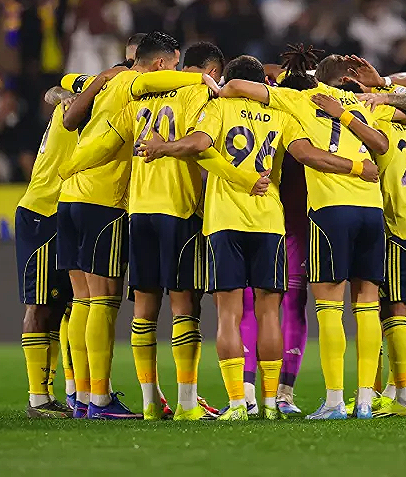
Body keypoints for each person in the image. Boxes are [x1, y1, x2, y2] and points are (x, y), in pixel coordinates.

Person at [141, 55, 380, 420]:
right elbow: (305, 154)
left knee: (231, 314)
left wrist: (162, 148)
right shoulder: (283, 115)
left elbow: (200, 144)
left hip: (225, 220)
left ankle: (239, 402)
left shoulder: (220, 106)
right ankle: (271, 403)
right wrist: (356, 168)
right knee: (272, 313)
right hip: (270, 221)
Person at [59, 42, 265, 421]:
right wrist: (242, 178)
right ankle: (187, 403)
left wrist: (70, 167)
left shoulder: (142, 96)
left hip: (139, 210)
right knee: (186, 306)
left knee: (145, 309)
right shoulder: (200, 93)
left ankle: (151, 401)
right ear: (212, 72)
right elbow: (201, 149)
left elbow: (109, 140)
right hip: (178, 208)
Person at [214, 44, 406, 420]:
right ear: (350, 80)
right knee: (367, 307)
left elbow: (241, 85)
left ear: (320, 78)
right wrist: (378, 90)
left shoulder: (302, 100)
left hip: (330, 212)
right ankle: (365, 400)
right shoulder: (368, 105)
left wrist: (221, 89)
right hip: (371, 210)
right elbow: (387, 140)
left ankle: (334, 402)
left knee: (328, 308)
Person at [311, 91, 406, 417]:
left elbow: (367, 135)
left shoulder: (378, 119)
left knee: (394, 311)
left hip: (400, 225)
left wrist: (344, 111)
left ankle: (403, 396)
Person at [16, 86, 78, 418]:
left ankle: (53, 393)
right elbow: (53, 91)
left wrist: (58, 95)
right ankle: (37, 398)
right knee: (40, 306)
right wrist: (60, 96)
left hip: (60, 213)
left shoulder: (79, 107)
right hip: (42, 213)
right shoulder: (77, 109)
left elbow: (53, 92)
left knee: (58, 308)